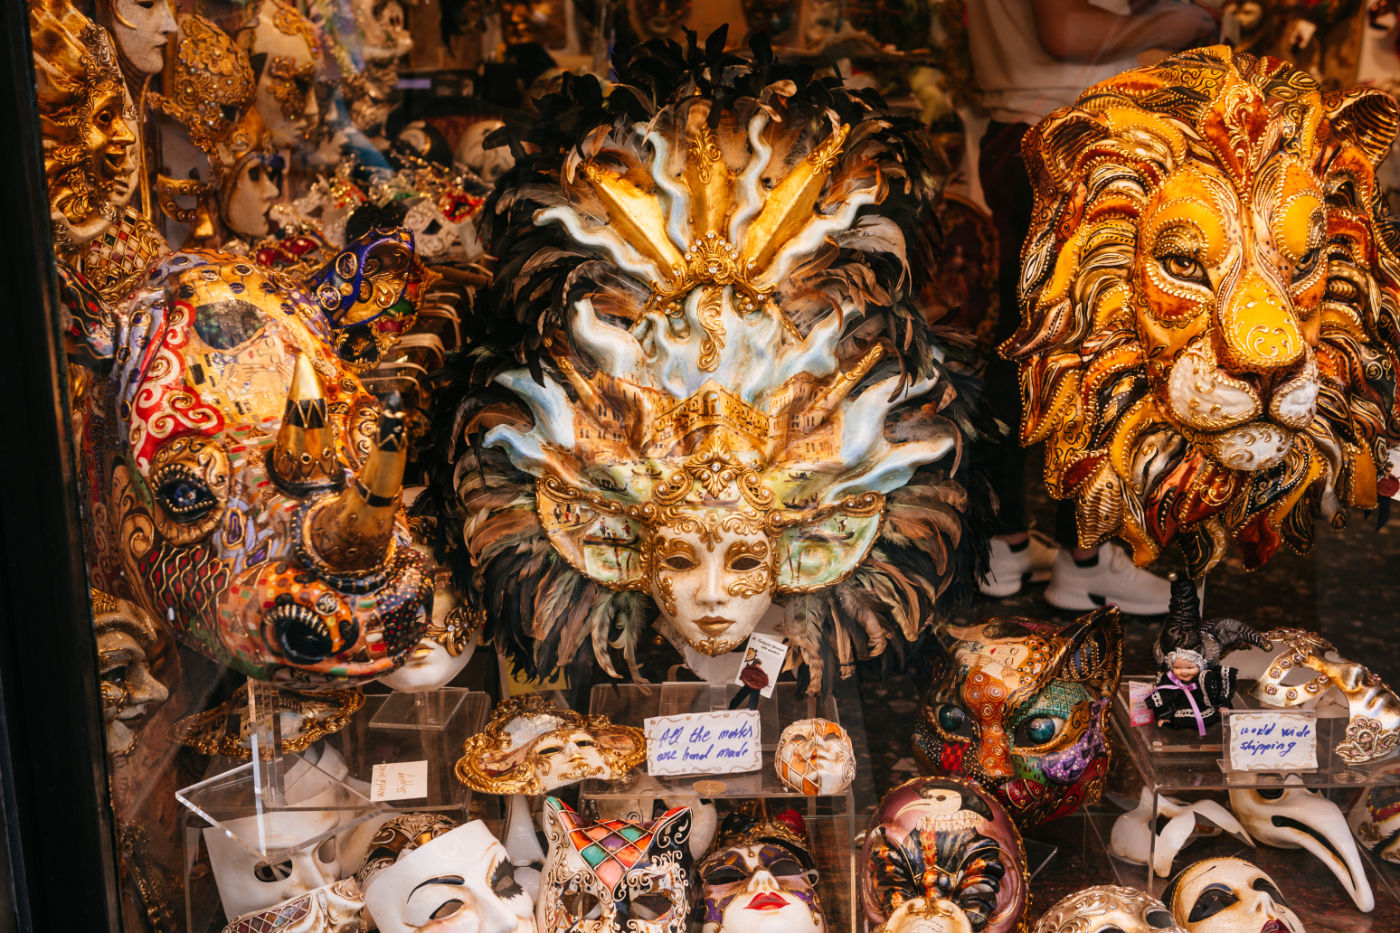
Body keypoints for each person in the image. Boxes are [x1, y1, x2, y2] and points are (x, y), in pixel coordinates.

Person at [968, 0, 1218, 614]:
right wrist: (1179, 22)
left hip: (1025, 127)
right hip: (1071, 138)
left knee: (1023, 344)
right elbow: (1065, 31)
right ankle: (1084, 561)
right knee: (1086, 349)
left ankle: (1006, 544)